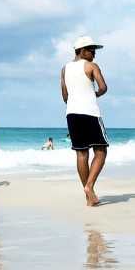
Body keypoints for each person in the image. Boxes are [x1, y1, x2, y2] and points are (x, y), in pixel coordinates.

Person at [61, 35, 109, 207]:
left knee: (81, 153)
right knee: (101, 151)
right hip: (90, 112)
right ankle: (89, 187)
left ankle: (89, 196)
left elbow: (65, 95)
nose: (94, 53)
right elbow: (103, 87)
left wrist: (74, 100)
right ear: (81, 51)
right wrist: (94, 94)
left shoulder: (64, 69)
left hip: (72, 113)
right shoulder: (91, 66)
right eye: (91, 50)